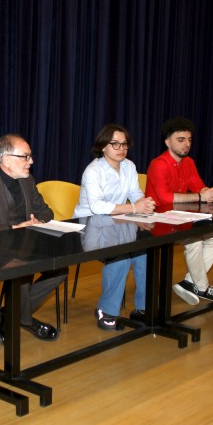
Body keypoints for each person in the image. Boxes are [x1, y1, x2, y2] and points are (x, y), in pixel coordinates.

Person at [0, 134, 65, 343]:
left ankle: (11, 313)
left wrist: (38, 220)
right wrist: (14, 227)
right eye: (26, 156)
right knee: (22, 269)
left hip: (27, 243)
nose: (31, 161)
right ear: (7, 160)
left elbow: (46, 210)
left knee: (60, 268)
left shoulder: (27, 180)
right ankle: (24, 320)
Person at [72, 124, 155, 330]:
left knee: (144, 253)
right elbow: (97, 206)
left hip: (117, 221)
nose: (121, 148)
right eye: (115, 144)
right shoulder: (93, 170)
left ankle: (142, 308)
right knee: (121, 255)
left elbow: (134, 193)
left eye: (124, 144)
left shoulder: (129, 166)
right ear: (103, 146)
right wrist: (134, 207)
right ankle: (107, 310)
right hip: (90, 226)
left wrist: (144, 203)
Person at [145, 117, 213, 305]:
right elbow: (165, 198)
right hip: (157, 221)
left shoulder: (189, 162)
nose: (187, 144)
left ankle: (190, 282)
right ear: (168, 142)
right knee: (194, 241)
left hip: (180, 218)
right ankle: (202, 288)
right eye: (181, 140)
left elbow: (199, 187)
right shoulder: (158, 164)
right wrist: (200, 196)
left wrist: (208, 192)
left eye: (189, 140)